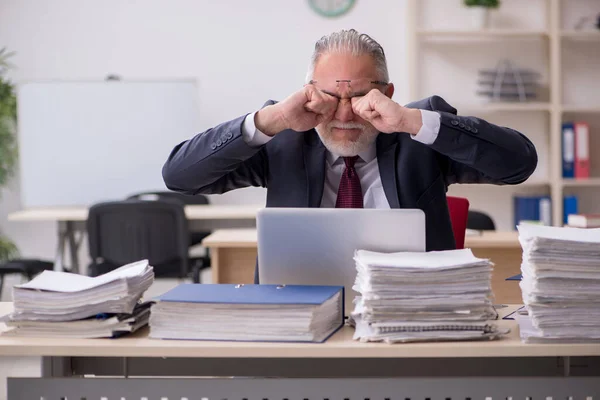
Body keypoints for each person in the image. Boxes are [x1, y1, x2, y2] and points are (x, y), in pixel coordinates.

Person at [162, 29, 537, 254]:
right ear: (309, 92)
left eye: (359, 98)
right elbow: (180, 176)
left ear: (387, 93)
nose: (343, 115)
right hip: (301, 311)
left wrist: (411, 120)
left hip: (411, 315)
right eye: (329, 97)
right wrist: (270, 120)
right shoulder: (284, 137)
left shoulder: (417, 135)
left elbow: (519, 164)